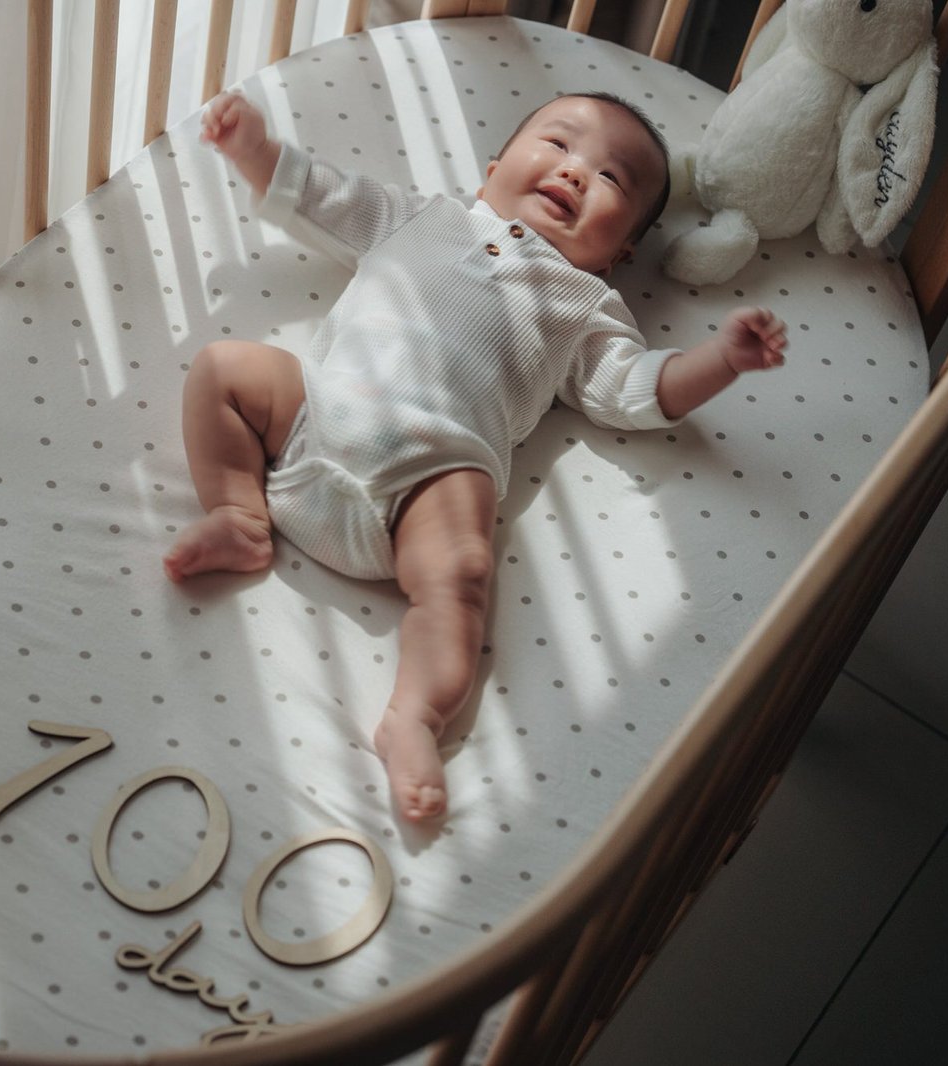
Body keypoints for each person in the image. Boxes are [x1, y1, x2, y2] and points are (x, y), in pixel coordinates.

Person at [164, 90, 787, 822]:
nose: (578, 172)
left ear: (622, 254)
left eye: (613, 179)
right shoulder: (422, 218)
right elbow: (324, 197)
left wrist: (721, 358)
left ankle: (415, 717)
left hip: (429, 481)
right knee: (221, 369)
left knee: (462, 571)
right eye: (558, 144)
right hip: (313, 417)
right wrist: (251, 150)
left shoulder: (584, 305)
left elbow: (637, 390)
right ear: (491, 171)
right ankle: (239, 512)